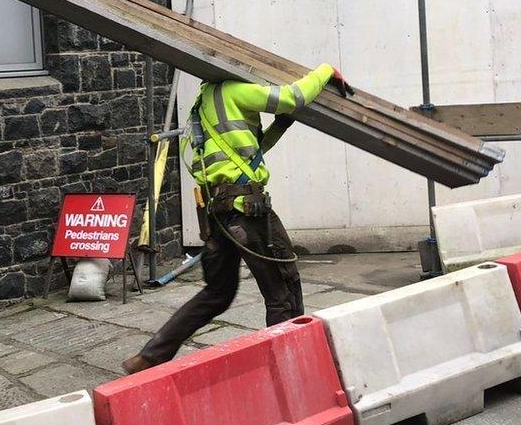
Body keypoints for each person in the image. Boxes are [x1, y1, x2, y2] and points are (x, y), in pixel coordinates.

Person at [122, 63, 352, 374]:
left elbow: (246, 156)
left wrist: (279, 127)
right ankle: (294, 370)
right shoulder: (237, 90)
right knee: (282, 289)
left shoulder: (201, 105)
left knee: (216, 294)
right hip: (248, 209)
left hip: (217, 213)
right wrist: (326, 70)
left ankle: (150, 356)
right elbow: (291, 97)